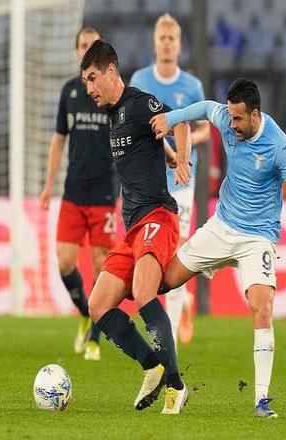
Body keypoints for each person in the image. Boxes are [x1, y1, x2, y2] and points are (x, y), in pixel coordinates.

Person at [150, 78, 286, 418]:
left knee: (262, 307)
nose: (231, 125)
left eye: (238, 119)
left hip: (257, 238)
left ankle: (261, 400)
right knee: (163, 282)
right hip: (221, 226)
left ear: (255, 115)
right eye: (230, 117)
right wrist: (171, 119)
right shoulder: (227, 119)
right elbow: (205, 108)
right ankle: (175, 324)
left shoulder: (278, 146)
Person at [81, 40, 192, 414]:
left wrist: (182, 158)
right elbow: (149, 142)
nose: (89, 89)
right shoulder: (112, 117)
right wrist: (168, 153)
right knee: (98, 306)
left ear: (111, 71)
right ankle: (152, 366)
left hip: (157, 216)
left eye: (92, 78)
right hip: (132, 229)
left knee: (145, 293)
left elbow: (180, 121)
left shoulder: (141, 103)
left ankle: (175, 385)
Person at [130, 13, 210, 347]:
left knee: (177, 253)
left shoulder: (191, 86)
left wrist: (183, 146)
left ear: (179, 45)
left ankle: (171, 337)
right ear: (155, 44)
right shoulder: (140, 79)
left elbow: (204, 129)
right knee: (153, 256)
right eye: (161, 39)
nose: (166, 44)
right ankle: (184, 303)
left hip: (181, 180)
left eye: (171, 39)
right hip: (147, 181)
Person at [40, 27, 117, 362]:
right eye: (83, 45)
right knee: (65, 262)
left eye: (93, 45)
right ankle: (85, 313)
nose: (87, 49)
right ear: (76, 51)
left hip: (103, 194)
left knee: (102, 265)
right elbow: (59, 140)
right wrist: (48, 185)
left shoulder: (111, 95)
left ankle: (95, 339)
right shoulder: (69, 92)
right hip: (73, 192)